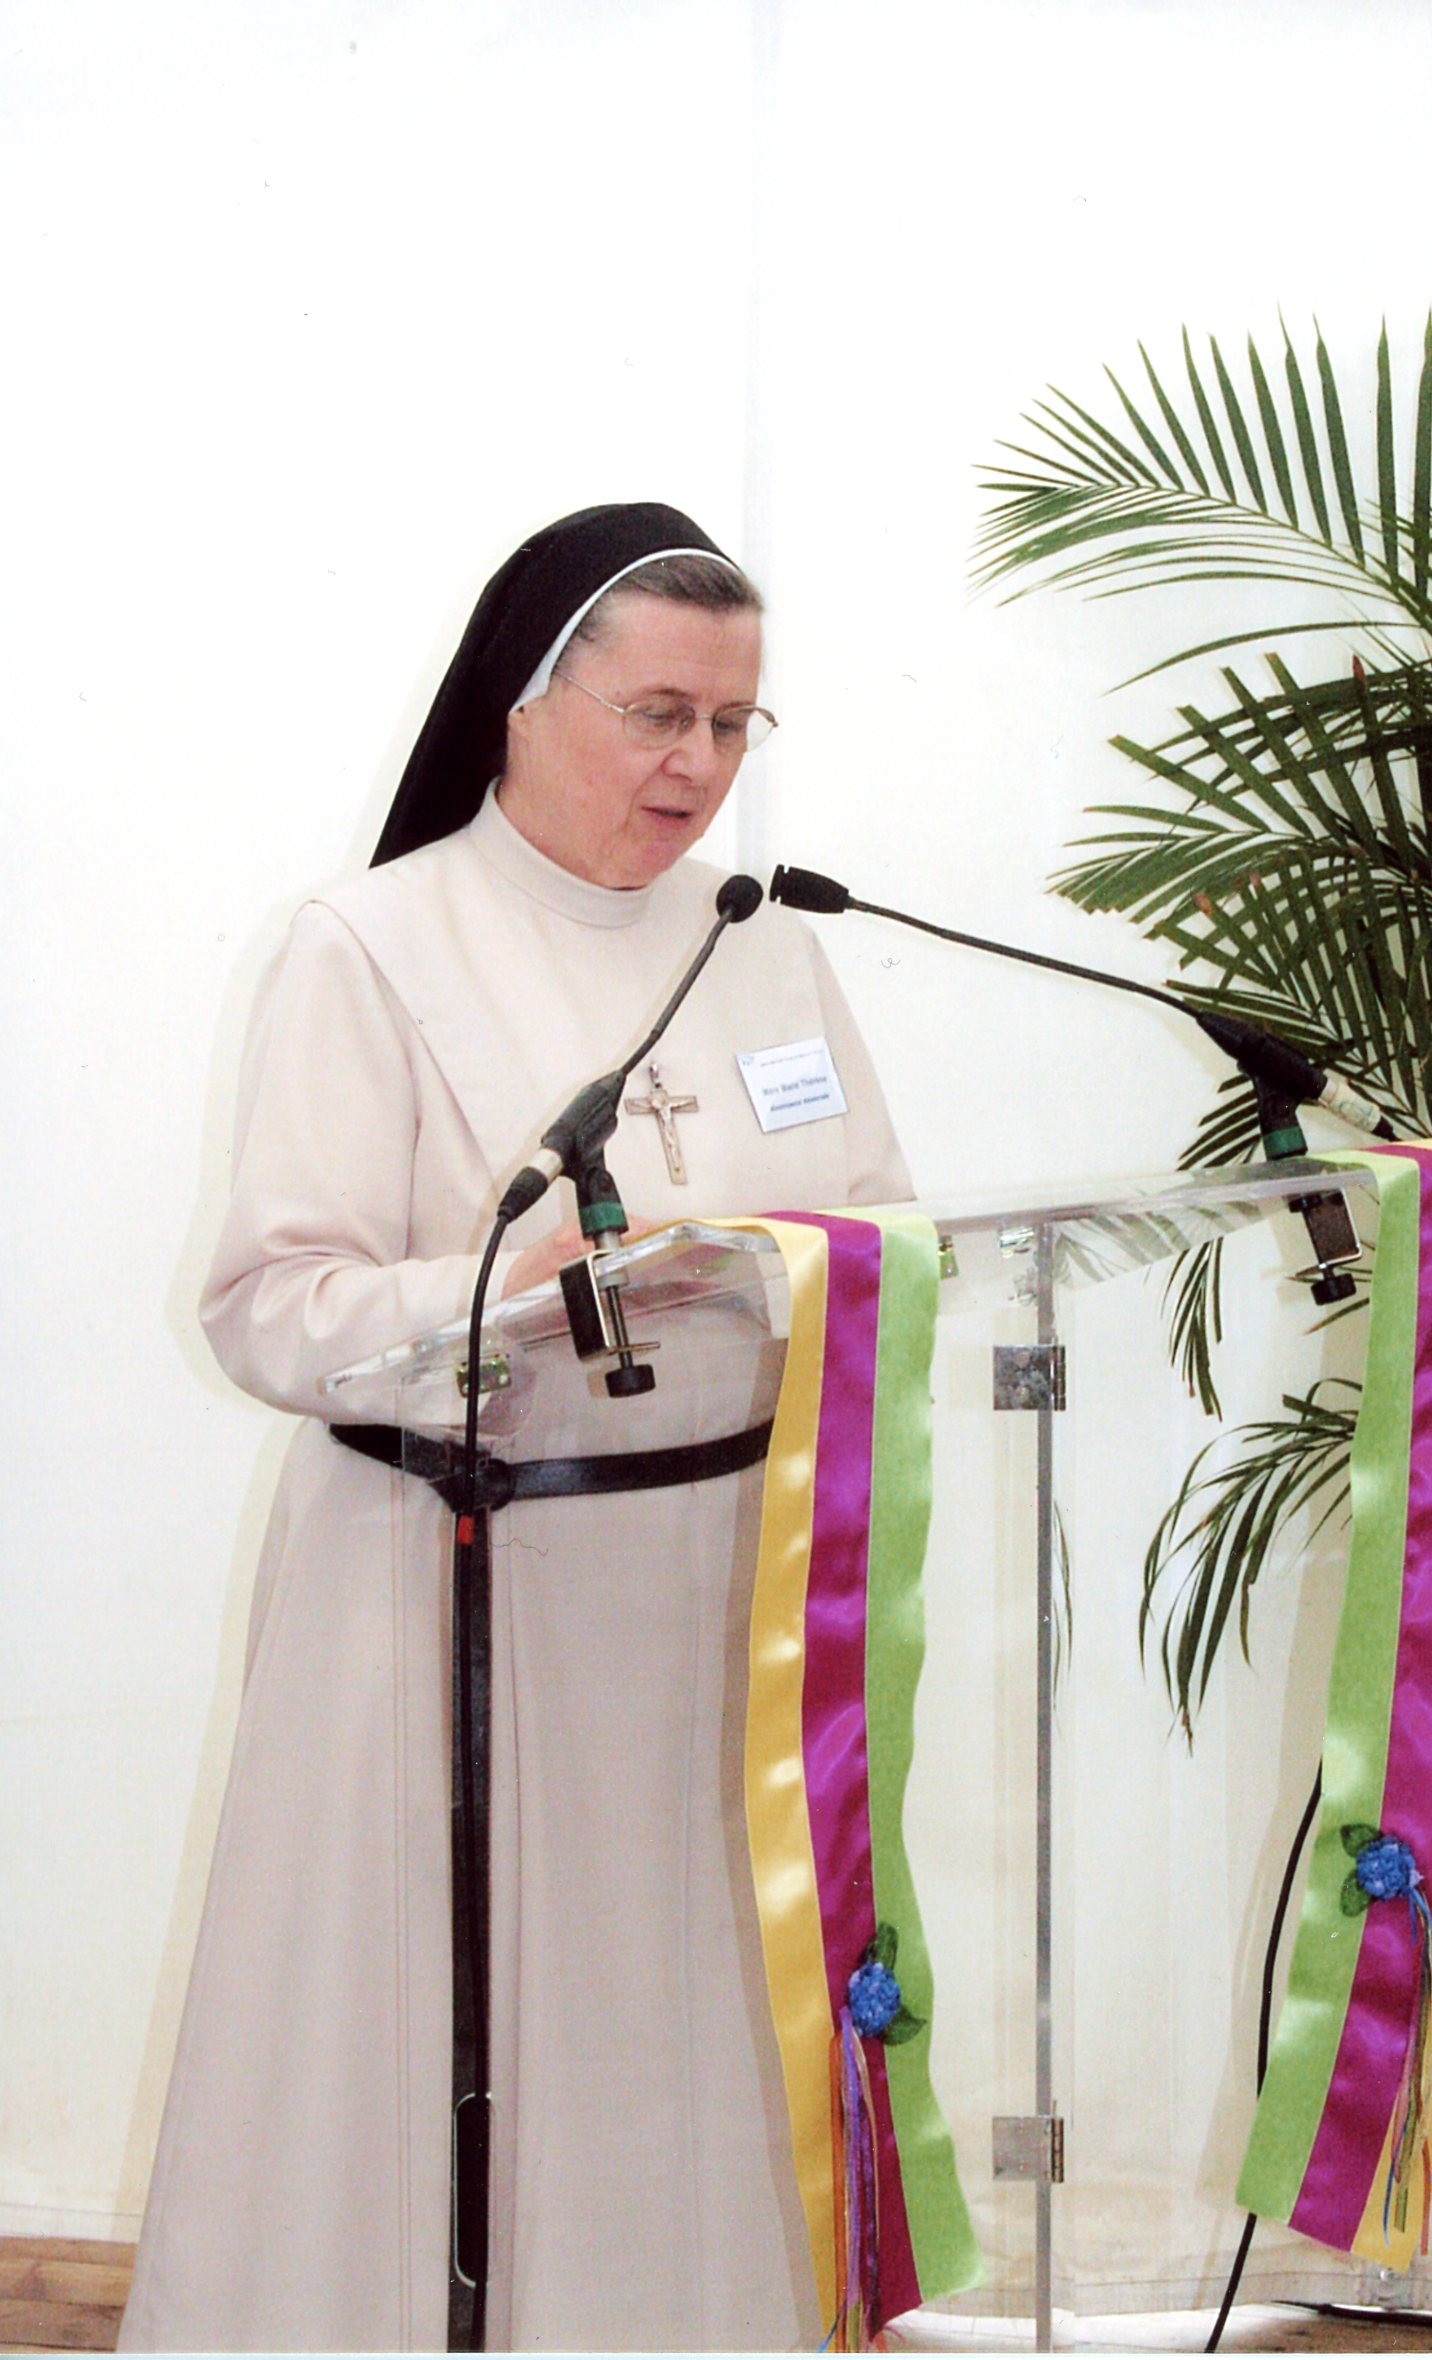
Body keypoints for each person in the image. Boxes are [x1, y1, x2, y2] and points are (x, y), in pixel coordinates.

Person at [118, 503, 912, 2353]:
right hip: (459, 1596)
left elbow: (878, 1214)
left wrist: (826, 1275)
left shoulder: (763, 949)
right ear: (521, 704)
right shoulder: (370, 944)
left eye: (732, 725)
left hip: (719, 1601)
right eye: (657, 715)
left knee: (681, 2040)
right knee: (435, 2058)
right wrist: (511, 1292)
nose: (696, 768)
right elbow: (266, 1302)